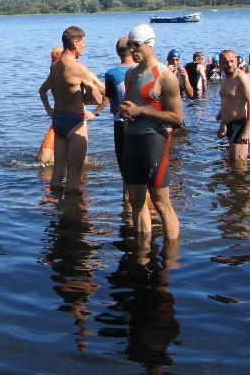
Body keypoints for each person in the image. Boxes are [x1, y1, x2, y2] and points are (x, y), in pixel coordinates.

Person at [119, 24, 184, 241]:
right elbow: (130, 104)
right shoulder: (130, 74)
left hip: (154, 142)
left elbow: (178, 118)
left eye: (136, 45)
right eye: (129, 45)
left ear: (150, 44)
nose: (132, 50)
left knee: (160, 202)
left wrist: (142, 111)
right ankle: (142, 251)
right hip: (132, 142)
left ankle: (171, 254)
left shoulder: (165, 76)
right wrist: (126, 112)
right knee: (135, 200)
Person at [39, 26, 103, 193]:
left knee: (57, 174)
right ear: (75, 43)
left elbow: (42, 90)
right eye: (83, 45)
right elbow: (98, 98)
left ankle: (56, 208)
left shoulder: (54, 66)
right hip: (75, 122)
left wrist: (49, 110)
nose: (83, 49)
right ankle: (72, 209)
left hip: (58, 120)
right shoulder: (79, 68)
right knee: (74, 176)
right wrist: (92, 106)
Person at [103, 35, 135, 208]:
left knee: (125, 172)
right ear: (133, 49)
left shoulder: (111, 74)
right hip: (143, 123)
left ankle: (127, 211)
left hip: (121, 124)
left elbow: (113, 106)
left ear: (117, 52)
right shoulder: (144, 70)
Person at [216, 50, 250, 163]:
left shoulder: (241, 78)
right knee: (232, 162)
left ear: (236, 61)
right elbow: (226, 100)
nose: (229, 64)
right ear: (220, 64)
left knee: (239, 164)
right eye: (226, 62)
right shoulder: (225, 77)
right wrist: (222, 122)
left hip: (240, 125)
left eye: (232, 61)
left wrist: (247, 130)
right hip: (229, 125)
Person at [37, 46, 65, 164]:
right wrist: (48, 109)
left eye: (56, 60)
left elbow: (101, 93)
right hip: (58, 119)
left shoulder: (79, 71)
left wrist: (95, 112)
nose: (53, 64)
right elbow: (42, 90)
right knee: (43, 160)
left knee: (80, 162)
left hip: (77, 121)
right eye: (52, 61)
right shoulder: (53, 75)